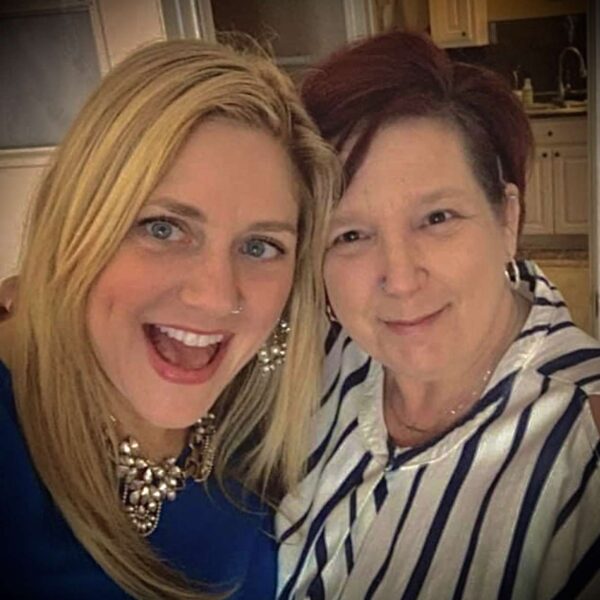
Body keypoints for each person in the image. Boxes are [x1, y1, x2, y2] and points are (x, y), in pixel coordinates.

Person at [0, 38, 338, 599]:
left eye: (259, 246)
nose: (216, 296)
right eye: (163, 228)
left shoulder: (267, 429)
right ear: (78, 226)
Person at [277, 31, 600, 599]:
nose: (400, 278)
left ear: (507, 219)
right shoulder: (324, 361)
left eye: (437, 218)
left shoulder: (584, 439)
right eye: (350, 235)